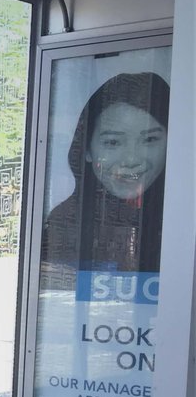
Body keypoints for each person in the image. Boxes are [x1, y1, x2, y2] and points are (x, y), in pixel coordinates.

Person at [40, 71, 169, 290]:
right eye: (112, 142)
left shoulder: (182, 223)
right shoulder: (65, 221)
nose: (131, 159)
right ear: (87, 149)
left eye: (149, 139)